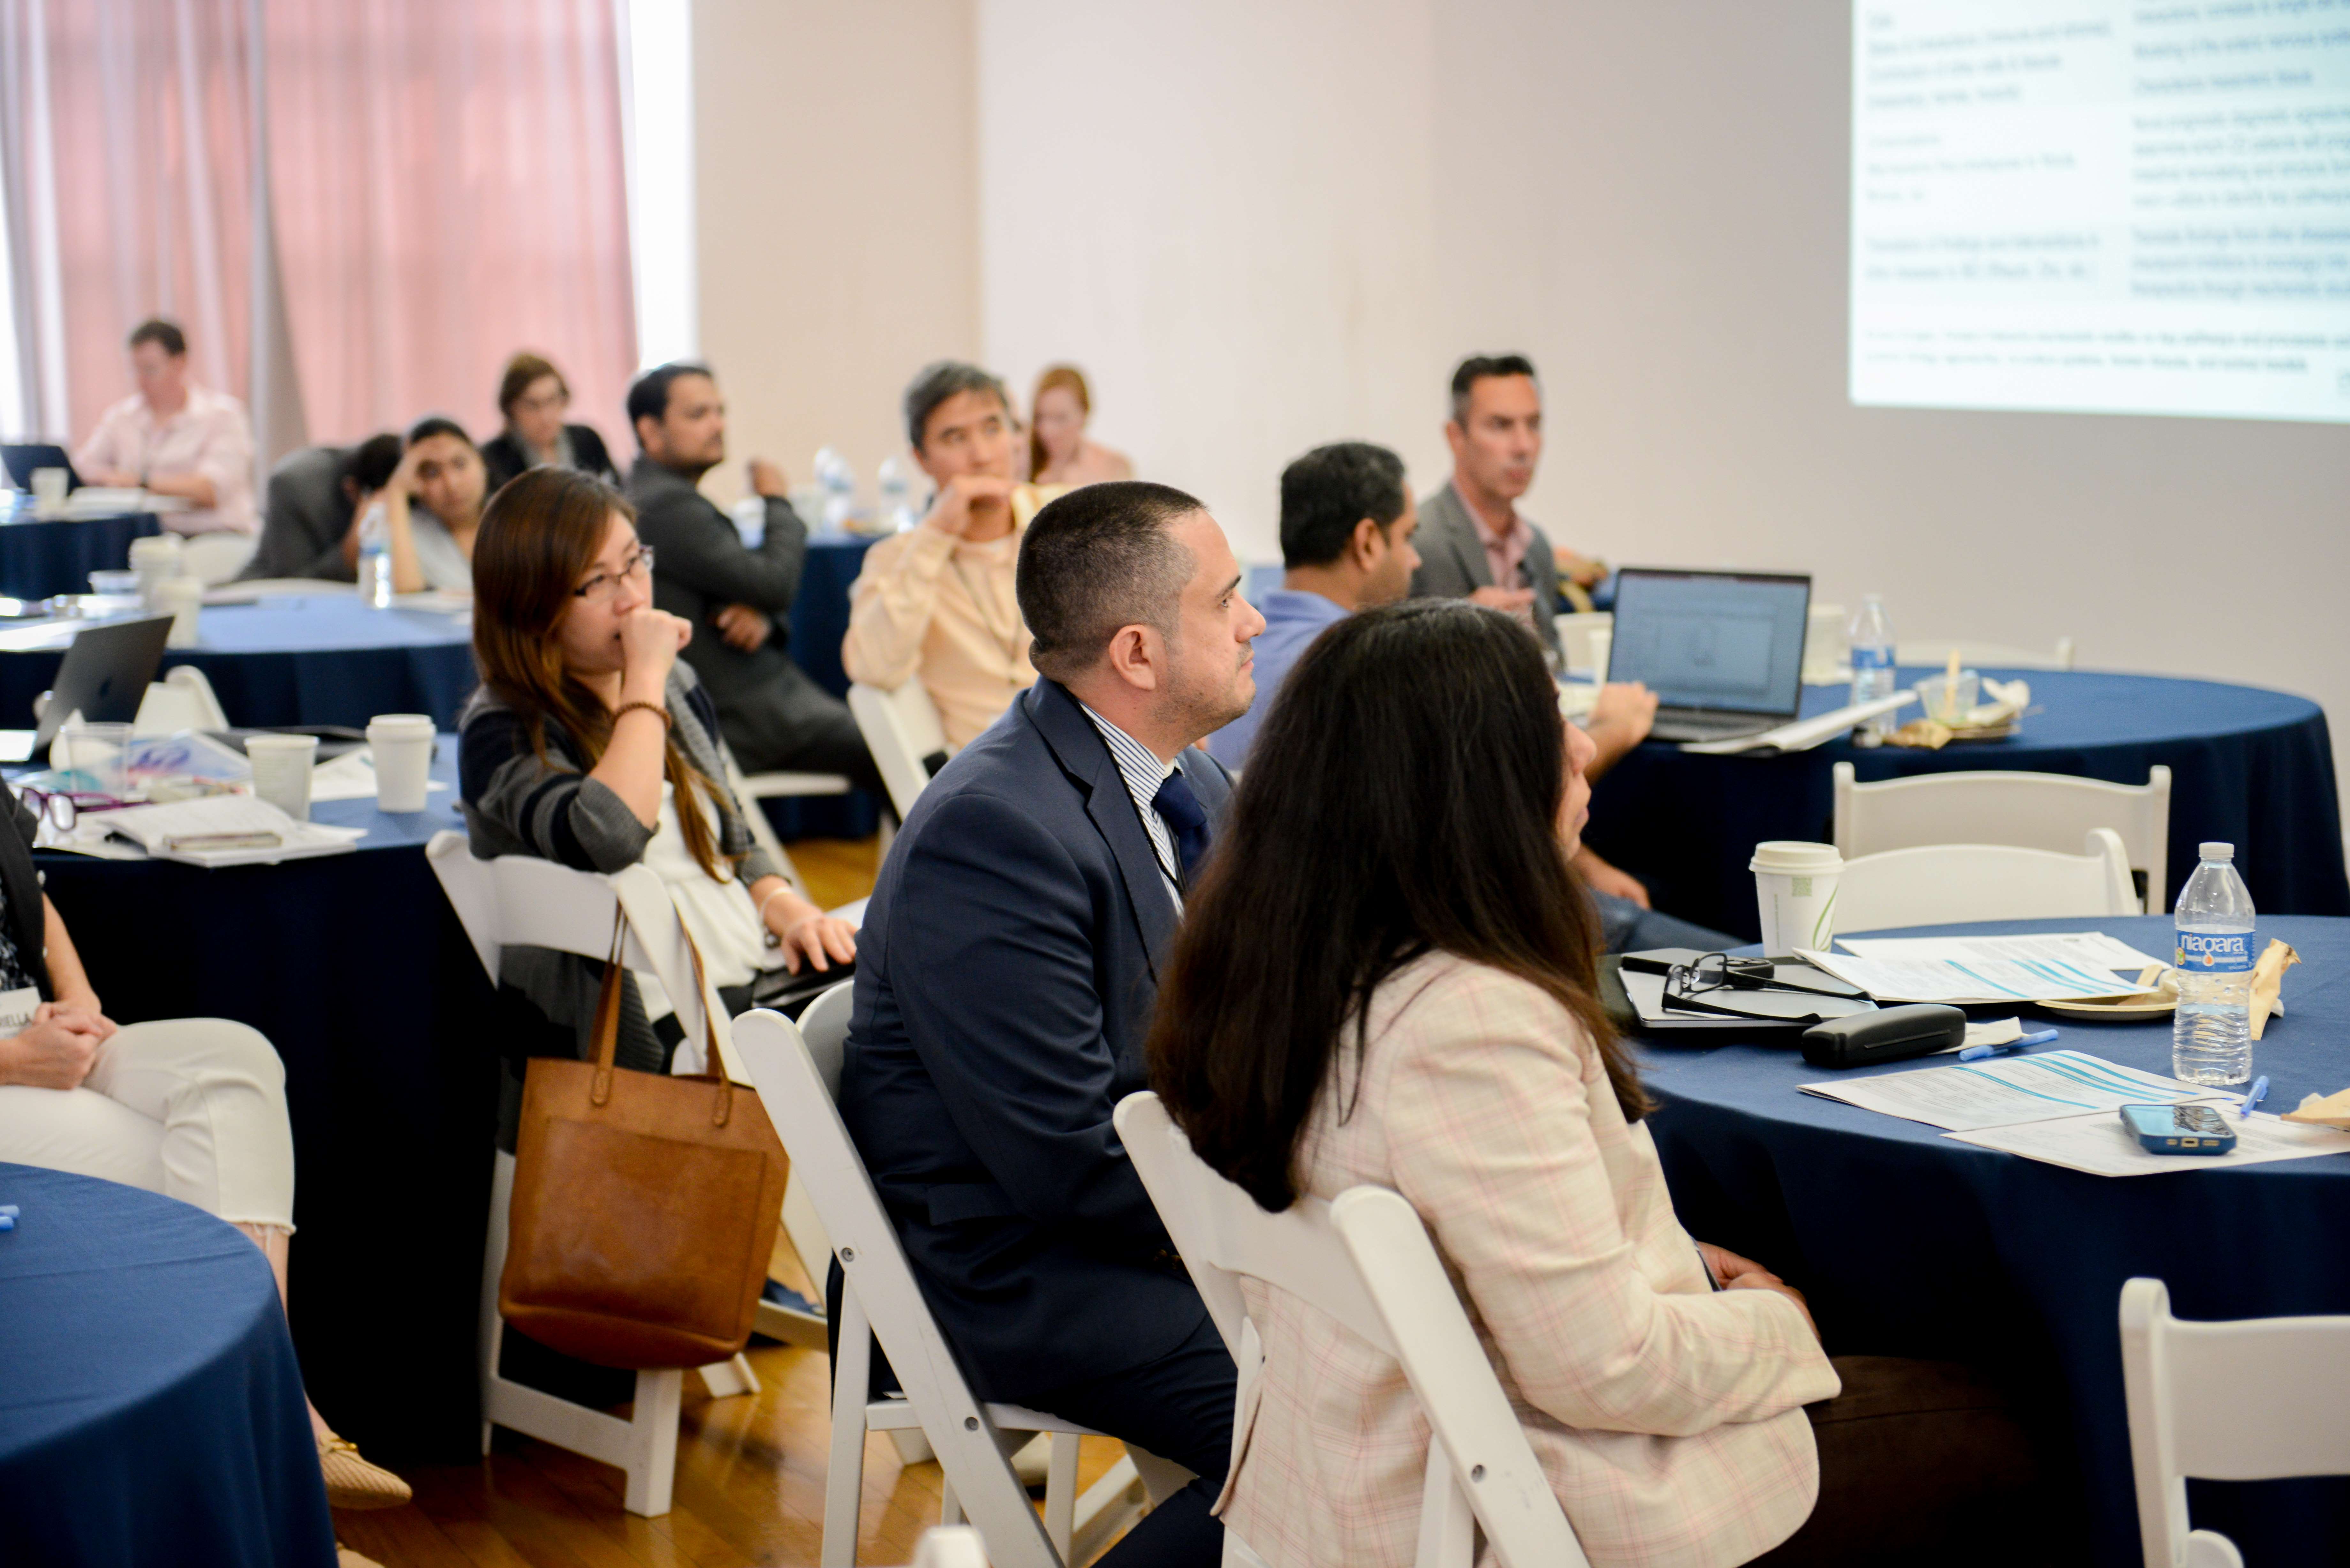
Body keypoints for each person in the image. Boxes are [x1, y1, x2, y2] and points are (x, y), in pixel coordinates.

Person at [1150, 599, 2043, 1568]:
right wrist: (1774, 1329)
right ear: (1470, 781)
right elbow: (1605, 1368)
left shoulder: (1282, 968)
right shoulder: (1468, 1016)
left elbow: (1471, 1226)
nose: (1582, 745)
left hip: (1352, 1472)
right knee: (2029, 1427)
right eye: (1551, 721)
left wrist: (1674, 1268)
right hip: (1521, 1504)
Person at [839, 481, 1265, 1567]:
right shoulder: (995, 830)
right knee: (1339, 1420)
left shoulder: (1187, 776)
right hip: (1025, 1272)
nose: (1255, 621)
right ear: (1138, 652)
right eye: (1229, 601)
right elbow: (1071, 1163)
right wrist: (1285, 1221)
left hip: (1148, 1220)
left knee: (1403, 1366)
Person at [0, 786, 410, 1516]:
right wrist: (9, 1060)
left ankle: (266, 1399)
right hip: (7, 1059)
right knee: (196, 1162)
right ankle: (272, 1439)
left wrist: (83, 999)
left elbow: (29, 884)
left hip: (37, 1026)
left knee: (236, 1059)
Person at [1211, 441, 1725, 952]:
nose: (1414, 559)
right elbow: (1480, 813)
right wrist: (1612, 733)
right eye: (1407, 538)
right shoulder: (1358, 680)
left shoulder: (1241, 662)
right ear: (1368, 542)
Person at [459, 467, 855, 1103]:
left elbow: (730, 837)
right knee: (880, 1047)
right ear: (531, 605)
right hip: (636, 1029)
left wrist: (790, 910)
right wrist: (644, 679)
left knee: (907, 995)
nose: (632, 597)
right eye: (596, 582)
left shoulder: (674, 680)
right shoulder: (504, 728)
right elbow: (611, 835)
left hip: (741, 970)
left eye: (633, 563)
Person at [624, 363, 881, 791]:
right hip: (749, 718)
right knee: (911, 757)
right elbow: (774, 583)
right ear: (650, 431)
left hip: (760, 707)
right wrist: (777, 501)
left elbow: (753, 592)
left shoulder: (662, 496)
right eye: (698, 415)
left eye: (720, 412)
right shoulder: (666, 506)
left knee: (916, 754)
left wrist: (764, 617)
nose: (718, 425)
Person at [841, 362, 1050, 752]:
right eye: (955, 438)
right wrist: (935, 536)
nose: (982, 455)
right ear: (921, 459)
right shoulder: (899, 557)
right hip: (993, 772)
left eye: (993, 429)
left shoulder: (1063, 521)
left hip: (1090, 754)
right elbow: (873, 669)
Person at [1410, 353, 1611, 659]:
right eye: (1501, 425)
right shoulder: (1417, 542)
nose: (1524, 446)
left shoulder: (1536, 545)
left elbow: (1552, 662)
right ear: (1456, 437)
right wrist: (1457, 634)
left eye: (1533, 424)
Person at [72, 317, 257, 535]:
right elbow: (83, 469)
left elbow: (209, 491)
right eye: (135, 370)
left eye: (150, 370)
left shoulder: (224, 416)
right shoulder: (122, 417)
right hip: (144, 539)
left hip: (212, 539)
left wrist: (137, 482)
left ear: (180, 363)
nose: (141, 380)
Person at [339, 417, 485, 594]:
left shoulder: (509, 514)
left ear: (480, 461)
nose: (452, 484)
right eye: (432, 473)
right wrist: (398, 491)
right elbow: (407, 594)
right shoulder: (407, 531)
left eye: (460, 464)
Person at [246, 435, 400, 583]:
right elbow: (290, 584)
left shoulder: (399, 470)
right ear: (352, 490)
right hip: (263, 594)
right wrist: (348, 555)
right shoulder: (298, 485)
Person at [480, 352, 619, 494]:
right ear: (511, 409)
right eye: (532, 405)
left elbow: (616, 494)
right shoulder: (494, 459)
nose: (545, 416)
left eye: (552, 400)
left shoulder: (588, 439)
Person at [1027, 364, 1133, 487]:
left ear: (1084, 414)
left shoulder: (1114, 467)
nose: (1047, 431)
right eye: (1040, 418)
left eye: (1060, 418)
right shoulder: (1025, 462)